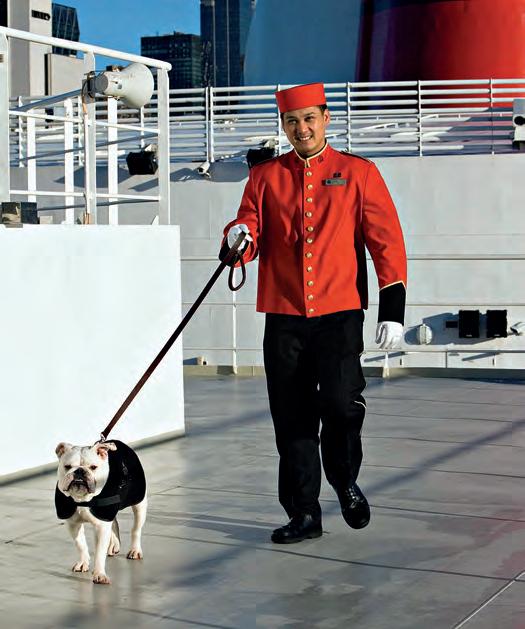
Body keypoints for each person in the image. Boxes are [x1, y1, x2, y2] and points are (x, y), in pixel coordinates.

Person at [220, 82, 407, 544]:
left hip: (340, 314)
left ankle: (344, 480)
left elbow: (386, 241)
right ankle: (304, 512)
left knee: (341, 406)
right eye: (291, 121)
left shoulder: (359, 172)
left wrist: (393, 309)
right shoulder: (264, 176)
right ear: (283, 126)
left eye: (308, 119)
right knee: (292, 419)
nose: (300, 128)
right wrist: (237, 237)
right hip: (283, 315)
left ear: (325, 118)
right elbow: (249, 225)